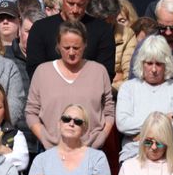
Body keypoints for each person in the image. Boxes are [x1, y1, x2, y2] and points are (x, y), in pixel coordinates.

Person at [26, 21, 115, 150]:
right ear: (58, 46)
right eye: (66, 48)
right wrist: (45, 139)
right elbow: (31, 111)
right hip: (52, 151)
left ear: (85, 45)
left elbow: (109, 111)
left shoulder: (99, 71)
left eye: (76, 48)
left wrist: (100, 138)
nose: (71, 53)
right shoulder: (43, 72)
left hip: (91, 150)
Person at [26, 0, 116, 80]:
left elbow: (105, 73)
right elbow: (35, 70)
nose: (75, 10)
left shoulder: (102, 30)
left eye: (80, 4)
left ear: (88, 0)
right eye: (71, 3)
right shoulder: (40, 29)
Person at [116, 35, 173, 161]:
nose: (154, 69)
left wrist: (142, 135)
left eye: (159, 64)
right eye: (149, 63)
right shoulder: (128, 88)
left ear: (166, 64)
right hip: (134, 153)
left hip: (171, 154)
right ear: (141, 63)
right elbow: (123, 124)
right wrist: (164, 120)